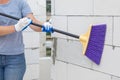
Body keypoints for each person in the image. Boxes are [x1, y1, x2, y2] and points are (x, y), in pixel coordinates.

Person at [0, 0, 53, 80]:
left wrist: (44, 26)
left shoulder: (20, 2)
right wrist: (15, 27)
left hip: (15, 58)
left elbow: (32, 23)